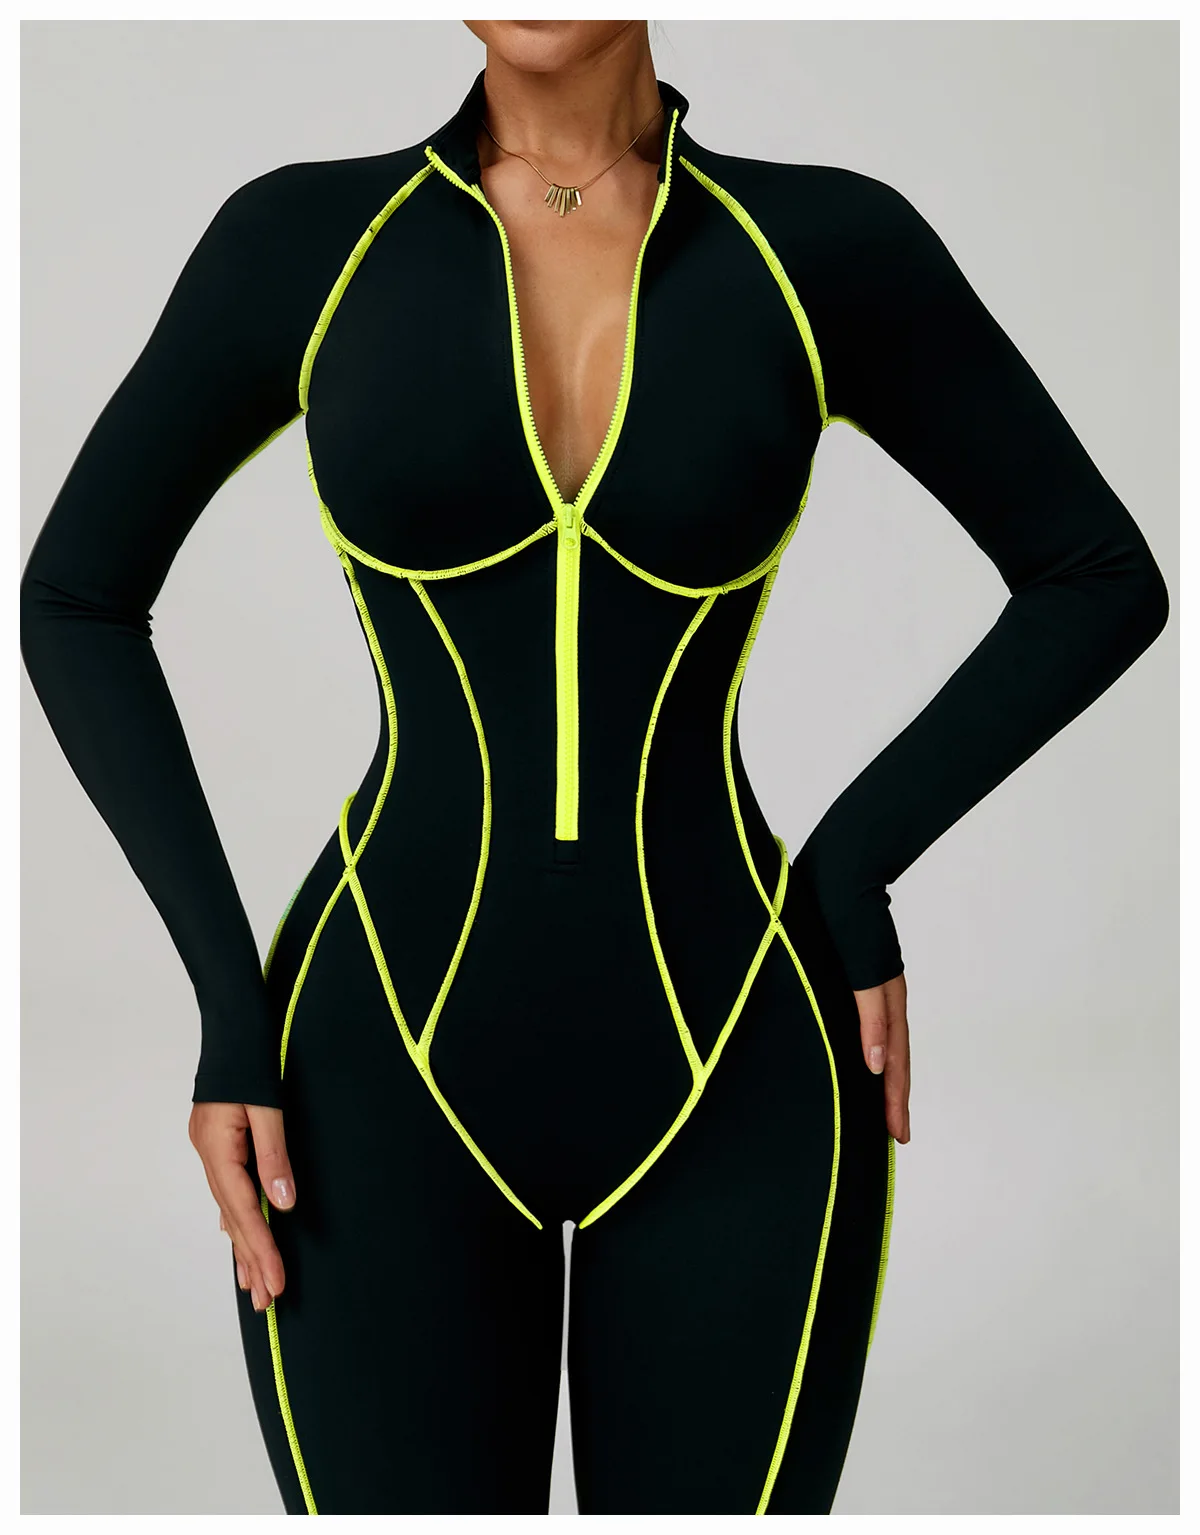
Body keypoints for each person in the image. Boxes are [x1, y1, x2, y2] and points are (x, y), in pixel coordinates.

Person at [19, 18, 1168, 1517]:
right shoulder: (307, 243)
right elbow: (77, 596)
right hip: (371, 1072)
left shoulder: (821, 246)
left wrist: (854, 861)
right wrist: (230, 1012)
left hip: (740, 1052)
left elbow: (1097, 576)